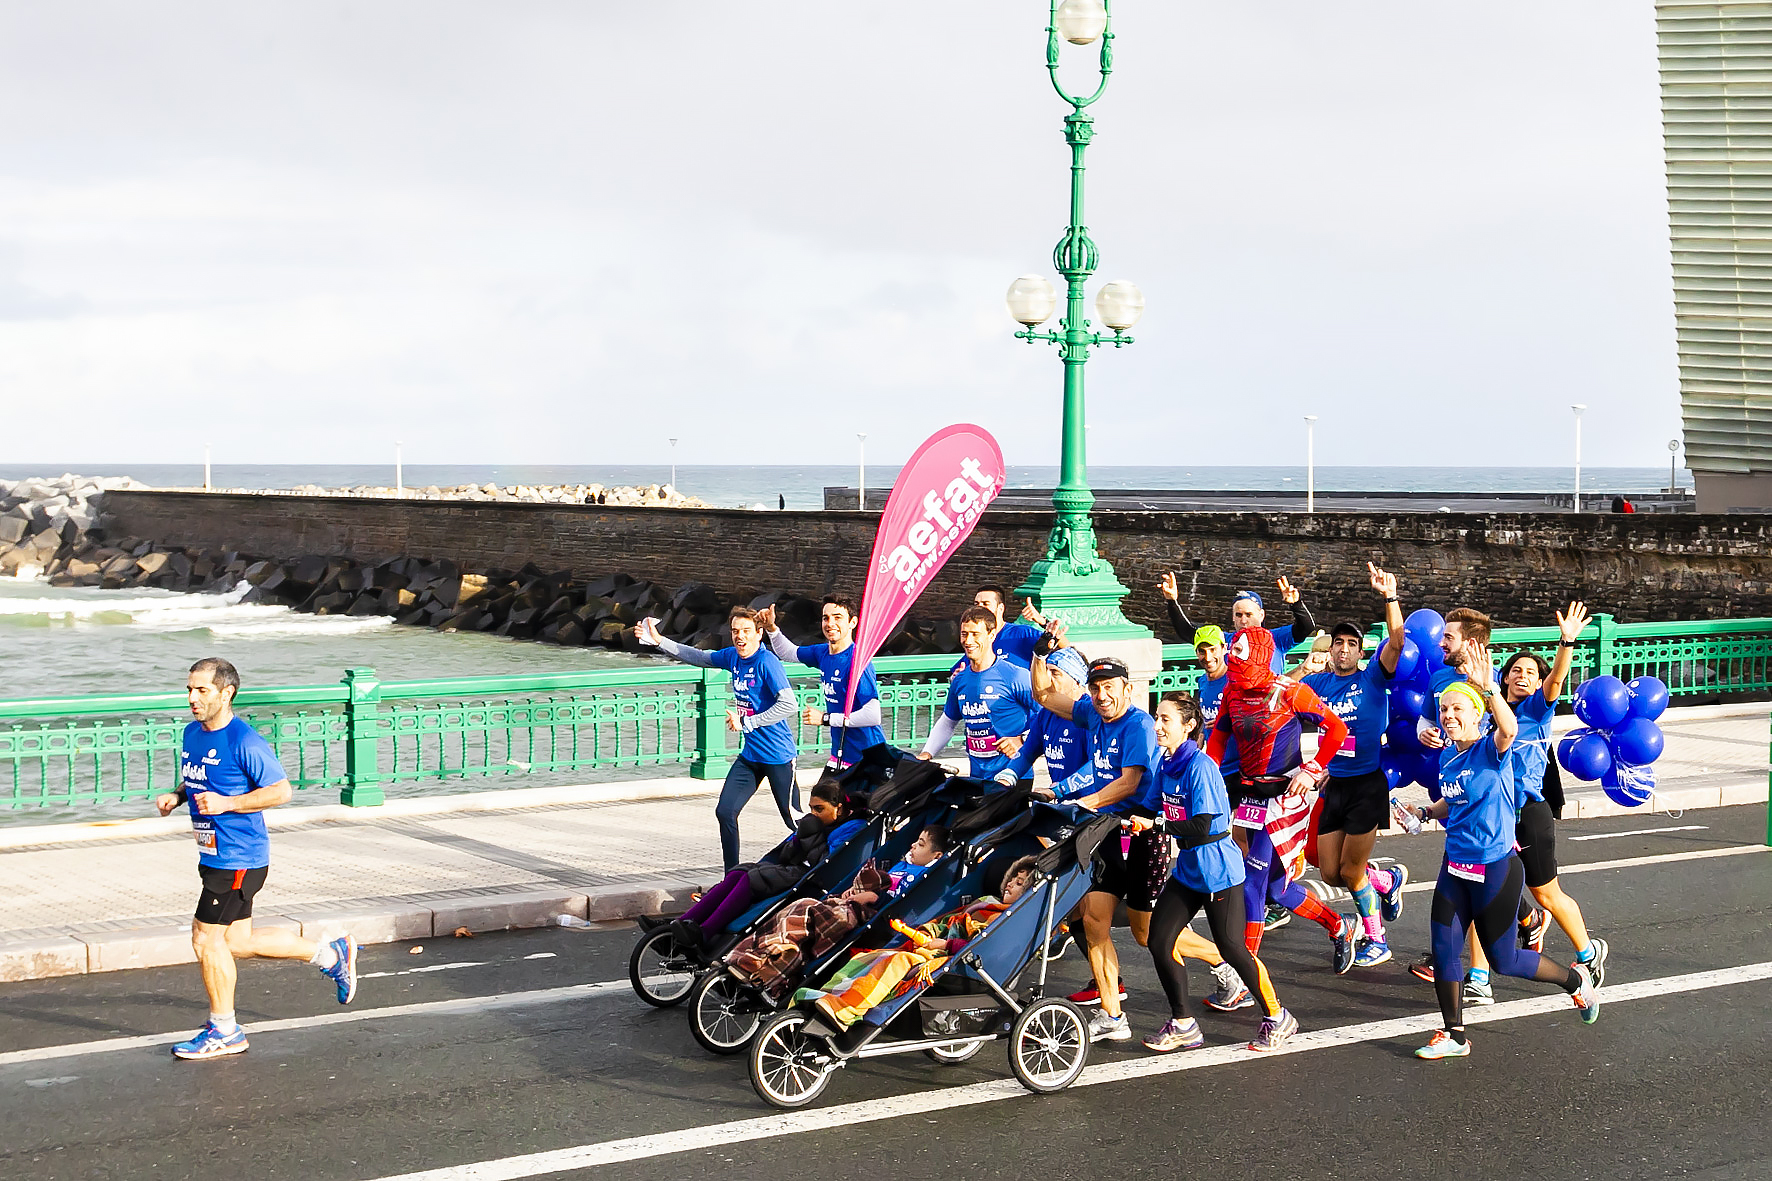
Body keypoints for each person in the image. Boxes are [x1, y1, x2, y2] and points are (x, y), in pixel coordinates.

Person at [153, 658, 358, 1061]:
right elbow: (199, 778)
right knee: (237, 941)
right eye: (189, 690)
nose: (192, 698)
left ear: (226, 693)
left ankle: (225, 1030)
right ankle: (334, 955)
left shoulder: (244, 741)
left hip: (238, 857)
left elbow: (281, 791)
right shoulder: (192, 733)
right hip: (213, 853)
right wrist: (178, 796)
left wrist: (229, 803)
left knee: (205, 939)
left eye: (202, 691)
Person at [1402, 656, 1600, 1059]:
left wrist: (1488, 687)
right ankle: (1455, 1036)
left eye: (1458, 709)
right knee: (1443, 950)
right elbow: (1452, 801)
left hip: (1495, 869)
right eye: (1444, 709)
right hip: (1454, 866)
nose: (1448, 715)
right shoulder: (1447, 755)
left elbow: (1509, 726)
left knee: (1504, 960)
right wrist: (1424, 812)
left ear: (1477, 715)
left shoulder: (1493, 749)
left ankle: (1575, 984)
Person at [1459, 605, 1610, 1002]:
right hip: (1494, 816)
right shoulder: (1487, 711)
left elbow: (1558, 676)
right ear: (1503, 677)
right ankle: (1478, 976)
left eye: (1531, 671)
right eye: (1516, 670)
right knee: (1482, 890)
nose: (1523, 675)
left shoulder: (1536, 709)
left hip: (1529, 813)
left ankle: (1588, 952)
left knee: (1546, 893)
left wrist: (1567, 641)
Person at [1136, 693, 1298, 1053]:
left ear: (1188, 726)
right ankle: (1183, 1024)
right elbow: (1144, 805)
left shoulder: (1201, 766)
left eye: (1165, 719)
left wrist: (1158, 826)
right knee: (1159, 941)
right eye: (1156, 718)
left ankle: (1277, 1015)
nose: (1157, 725)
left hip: (1220, 873)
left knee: (1233, 948)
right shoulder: (1166, 763)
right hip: (1190, 871)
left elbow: (1205, 826)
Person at [1204, 628, 1361, 973]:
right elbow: (1218, 738)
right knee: (1275, 888)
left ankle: (1244, 975)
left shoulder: (1291, 692)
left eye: (1240, 658)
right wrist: (1207, 778)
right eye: (1233, 657)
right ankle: (1339, 925)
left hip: (1287, 795)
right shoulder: (1232, 692)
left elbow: (1337, 730)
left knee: (1252, 883)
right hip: (1251, 795)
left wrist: (1313, 770)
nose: (1234, 664)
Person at [1030, 636, 1161, 1043]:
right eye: (1096, 688)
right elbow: (1045, 694)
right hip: (1103, 829)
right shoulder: (1091, 714)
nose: (1102, 696)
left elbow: (1130, 781)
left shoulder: (1139, 724)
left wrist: (1084, 800)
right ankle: (1113, 1014)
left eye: (1110, 688)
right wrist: (1039, 653)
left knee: (1148, 934)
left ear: (1128, 689)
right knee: (1094, 922)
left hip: (1139, 832)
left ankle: (1223, 966)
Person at [1298, 563, 1411, 969]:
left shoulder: (1374, 679)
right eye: (1338, 643)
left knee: (1351, 869)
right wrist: (1303, 669)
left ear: (1361, 652)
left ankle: (1377, 939)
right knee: (1330, 873)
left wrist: (1390, 597)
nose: (1344, 649)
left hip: (1367, 784)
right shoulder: (1319, 685)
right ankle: (1387, 880)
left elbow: (1397, 642)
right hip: (1335, 786)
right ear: (1330, 650)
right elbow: (1280, 690)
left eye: (1351, 643)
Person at [636, 607, 799, 871]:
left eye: (747, 631)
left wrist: (747, 721)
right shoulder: (733, 657)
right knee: (725, 812)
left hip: (779, 757)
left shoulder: (767, 662)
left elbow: (789, 704)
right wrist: (658, 641)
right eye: (735, 632)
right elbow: (699, 656)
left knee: (795, 821)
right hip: (751, 757)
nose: (740, 637)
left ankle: (817, 869)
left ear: (759, 634)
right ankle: (731, 877)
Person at [794, 855, 1039, 1028]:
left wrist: (942, 945)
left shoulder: (1009, 920)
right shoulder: (986, 902)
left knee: (898, 961)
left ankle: (847, 1009)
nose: (1010, 884)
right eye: (1011, 879)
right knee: (869, 956)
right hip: (938, 946)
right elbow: (949, 922)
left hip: (959, 960)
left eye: (1019, 884)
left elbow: (986, 948)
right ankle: (829, 994)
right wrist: (929, 933)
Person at [668, 775, 863, 949]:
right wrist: (800, 838)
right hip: (793, 867)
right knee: (738, 872)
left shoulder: (851, 827)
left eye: (819, 809)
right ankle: (682, 924)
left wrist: (811, 835)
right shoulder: (817, 823)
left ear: (838, 808)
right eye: (811, 808)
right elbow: (786, 855)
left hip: (812, 878)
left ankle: (706, 931)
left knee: (753, 879)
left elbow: (826, 863)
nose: (814, 813)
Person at [761, 596, 886, 770]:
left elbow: (873, 715)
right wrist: (771, 629)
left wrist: (825, 718)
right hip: (840, 755)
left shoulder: (858, 662)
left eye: (837, 618)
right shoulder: (822, 652)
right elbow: (789, 653)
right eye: (825, 618)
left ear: (853, 622)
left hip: (868, 759)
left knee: (833, 798)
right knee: (819, 798)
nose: (830, 623)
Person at [919, 606, 1037, 782]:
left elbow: (1047, 715)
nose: (968, 641)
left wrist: (1022, 739)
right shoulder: (960, 680)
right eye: (964, 634)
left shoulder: (1015, 675)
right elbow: (948, 721)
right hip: (978, 775)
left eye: (975, 634)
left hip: (1013, 776)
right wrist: (926, 754)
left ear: (992, 635)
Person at [1161, 573, 1317, 673]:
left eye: (1249, 614)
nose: (1243, 621)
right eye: (1238, 615)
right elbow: (1187, 632)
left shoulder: (1275, 638)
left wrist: (1296, 604)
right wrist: (1172, 601)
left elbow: (1306, 627)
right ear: (1232, 617)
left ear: (1261, 615)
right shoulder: (1225, 640)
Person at [994, 644, 1093, 795]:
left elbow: (1096, 765)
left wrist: (1059, 789)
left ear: (1077, 681)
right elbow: (1027, 752)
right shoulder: (1046, 715)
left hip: (1094, 808)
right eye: (1045, 671)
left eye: (1055, 672)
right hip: (1063, 804)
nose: (1046, 678)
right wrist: (1007, 777)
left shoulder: (1090, 715)